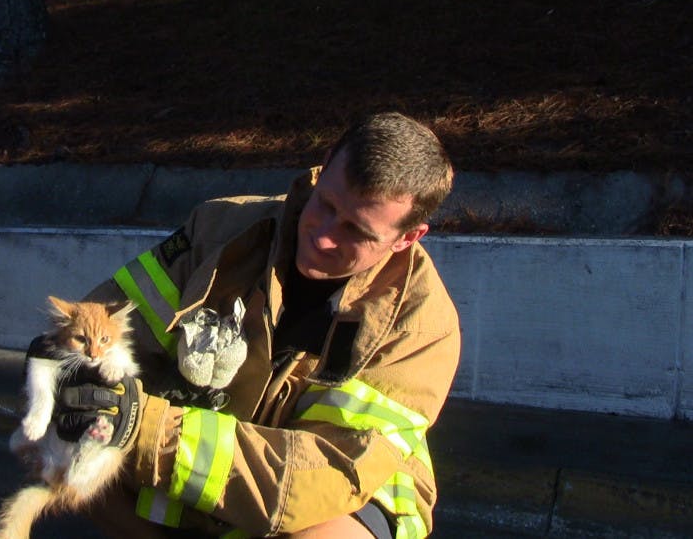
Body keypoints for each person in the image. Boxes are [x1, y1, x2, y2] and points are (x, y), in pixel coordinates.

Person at [46, 112, 460, 538]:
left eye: (355, 231)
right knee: (58, 438)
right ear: (325, 164)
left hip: (334, 498)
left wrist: (147, 428)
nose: (322, 237)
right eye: (326, 205)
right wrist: (60, 366)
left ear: (408, 238)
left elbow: (321, 478)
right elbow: (103, 323)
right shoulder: (219, 228)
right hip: (196, 464)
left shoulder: (422, 328)